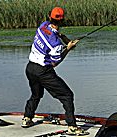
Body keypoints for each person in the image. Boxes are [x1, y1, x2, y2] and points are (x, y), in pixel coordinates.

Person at [22, 7, 86, 135]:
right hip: (43, 71)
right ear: (63, 21)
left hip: (30, 68)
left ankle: (27, 118)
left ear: (49, 17)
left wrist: (65, 39)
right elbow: (54, 63)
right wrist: (68, 48)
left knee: (36, 95)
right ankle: (72, 127)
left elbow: (55, 33)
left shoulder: (43, 25)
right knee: (67, 95)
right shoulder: (55, 44)